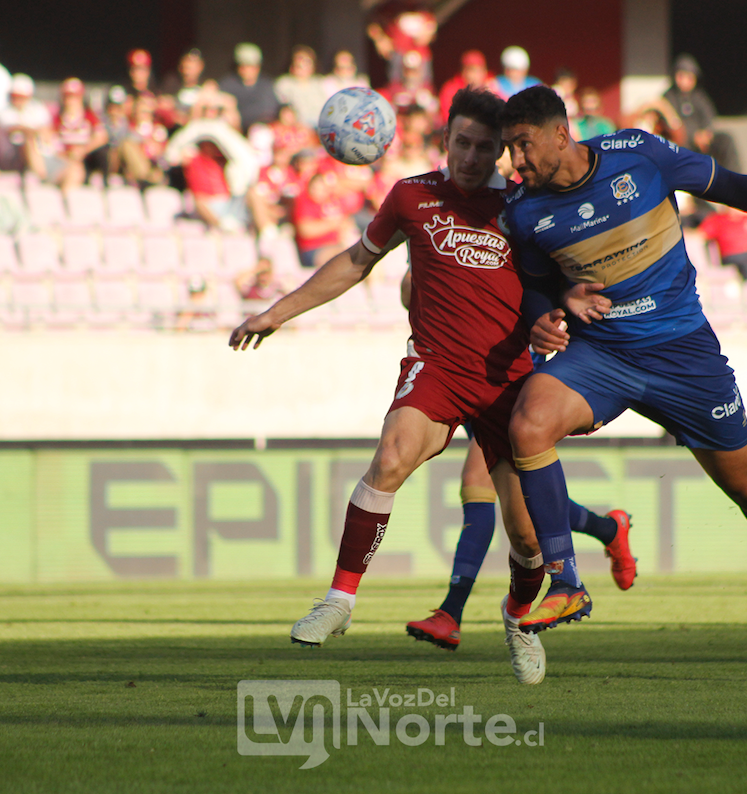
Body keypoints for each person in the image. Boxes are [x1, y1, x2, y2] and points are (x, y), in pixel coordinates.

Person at [499, 85, 747, 648]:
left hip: (682, 353)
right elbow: (536, 284)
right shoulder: (523, 210)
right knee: (528, 424)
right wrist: (547, 312)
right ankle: (566, 582)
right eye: (509, 148)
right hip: (602, 354)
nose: (516, 160)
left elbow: (728, 185)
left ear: (561, 134)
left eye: (523, 144)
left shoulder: (639, 154)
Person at [229, 88, 551, 685]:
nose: (472, 157)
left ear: (501, 152)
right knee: (391, 457)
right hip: (438, 368)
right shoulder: (411, 196)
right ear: (444, 140)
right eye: (462, 143)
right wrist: (277, 312)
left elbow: (557, 277)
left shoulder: (522, 206)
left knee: (528, 537)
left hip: (508, 382)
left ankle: (518, 618)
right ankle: (339, 599)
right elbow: (357, 261)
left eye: (485, 147)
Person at [392, 267, 638, 651]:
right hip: (469, 381)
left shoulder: (520, 261)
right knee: (525, 506)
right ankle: (608, 529)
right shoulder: (460, 260)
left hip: (513, 390)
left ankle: (451, 612)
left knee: (478, 484)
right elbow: (411, 294)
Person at [662, 54, 739, 172]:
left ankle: (732, 176)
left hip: (703, 140)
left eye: (689, 77)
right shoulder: (668, 97)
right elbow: (671, 123)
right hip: (682, 142)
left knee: (726, 140)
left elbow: (709, 117)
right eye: (681, 76)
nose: (685, 80)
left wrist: (706, 134)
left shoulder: (699, 97)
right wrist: (693, 136)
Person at [218, 43, 279, 133]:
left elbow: (269, 112)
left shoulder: (266, 85)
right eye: (244, 66)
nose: (247, 70)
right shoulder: (228, 84)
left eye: (252, 66)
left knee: (261, 133)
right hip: (234, 131)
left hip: (259, 129)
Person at [273, 45, 327, 131]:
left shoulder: (321, 83)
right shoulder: (284, 84)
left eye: (306, 63)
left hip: (320, 128)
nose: (302, 66)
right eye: (299, 64)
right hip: (296, 129)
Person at [438, 50, 490, 126]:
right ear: (464, 71)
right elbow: (448, 117)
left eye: (479, 70)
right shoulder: (451, 89)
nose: (476, 75)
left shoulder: (491, 86)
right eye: (472, 70)